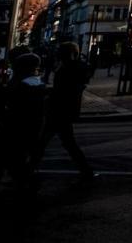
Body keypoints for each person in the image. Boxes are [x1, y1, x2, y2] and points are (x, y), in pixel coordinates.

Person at [0, 53, 47, 197]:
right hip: (29, 130)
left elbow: (7, 105)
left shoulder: (20, 85)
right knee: (17, 161)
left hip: (12, 129)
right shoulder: (38, 84)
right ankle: (26, 186)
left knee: (1, 161)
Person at [36, 42, 94, 183]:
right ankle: (86, 170)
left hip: (59, 110)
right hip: (65, 110)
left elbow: (63, 90)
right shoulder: (76, 67)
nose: (57, 54)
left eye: (60, 51)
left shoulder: (67, 69)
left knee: (43, 142)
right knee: (66, 142)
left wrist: (48, 93)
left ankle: (25, 171)